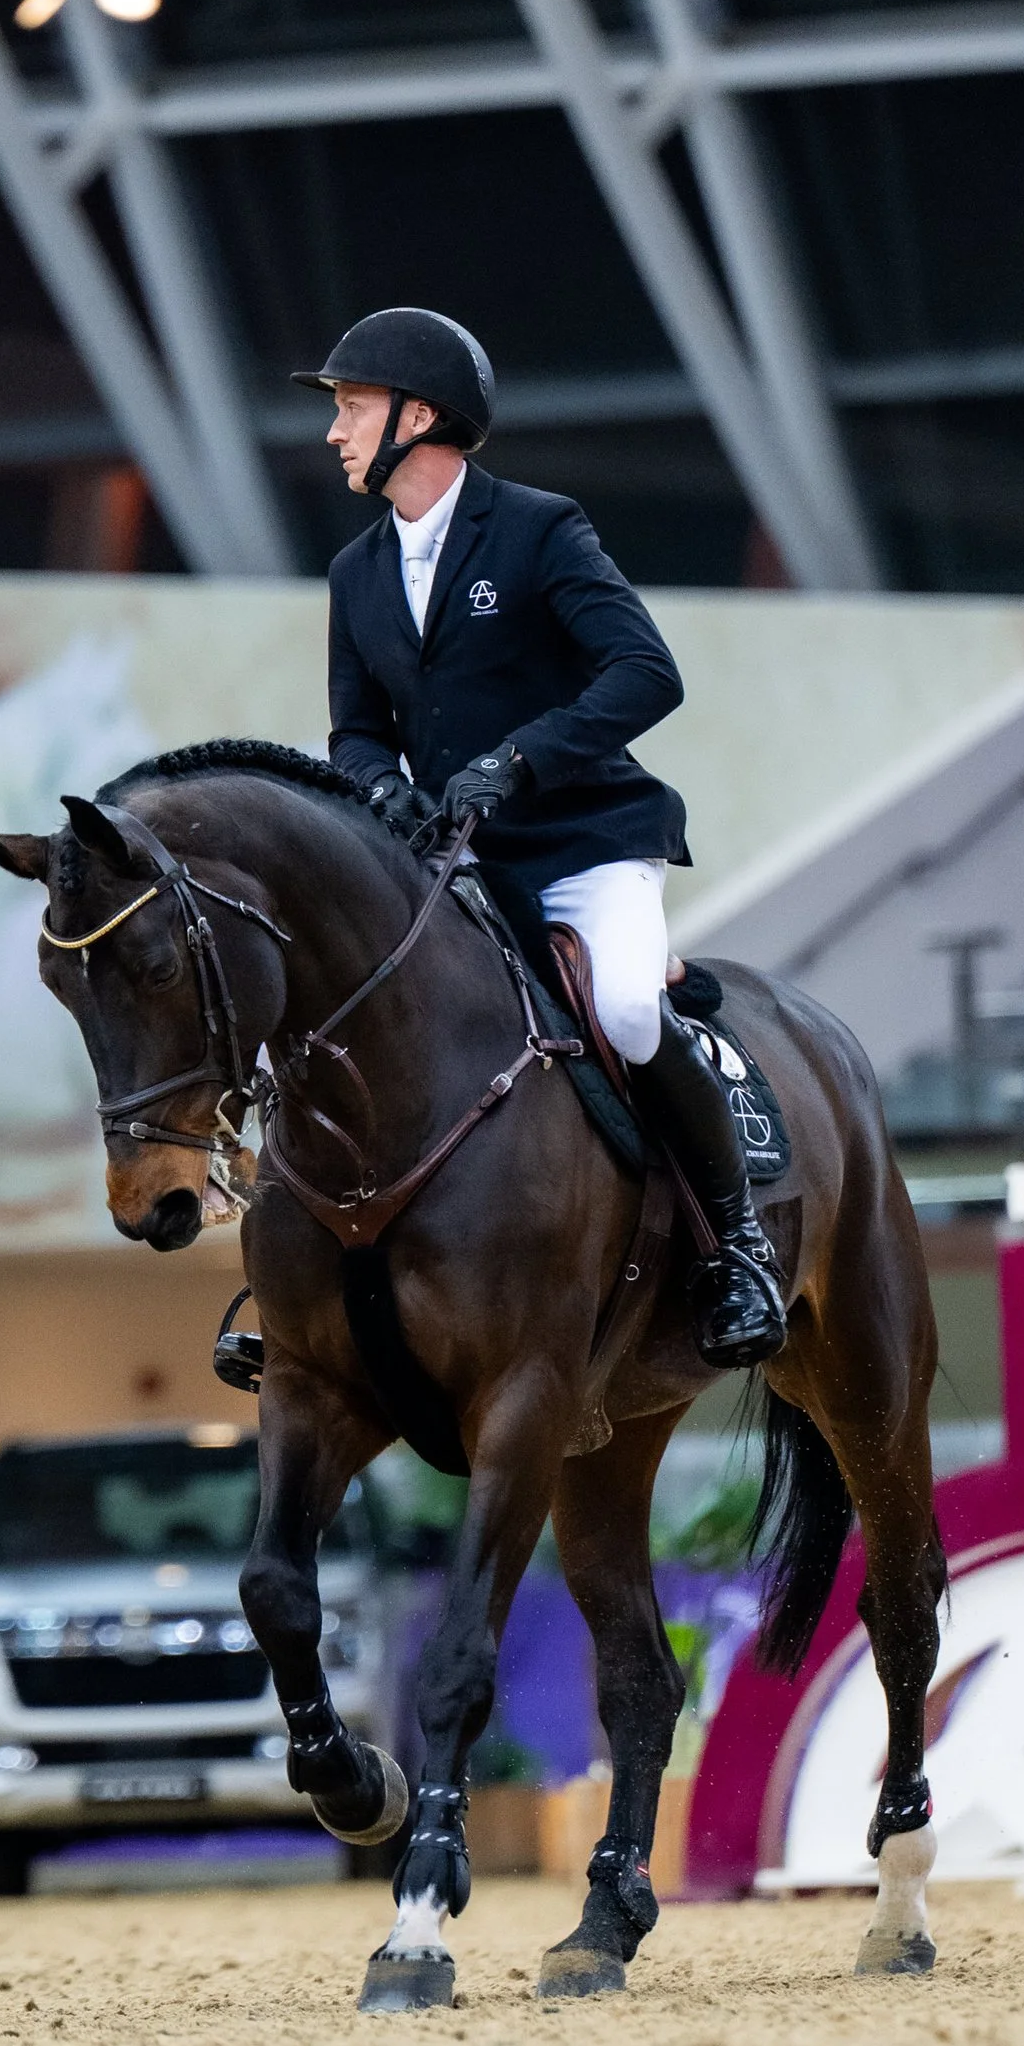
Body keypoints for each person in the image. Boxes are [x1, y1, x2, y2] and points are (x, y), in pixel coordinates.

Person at [299, 306, 787, 1366]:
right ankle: (306, 1279)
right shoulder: (356, 573)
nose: (334, 433)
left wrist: (520, 760)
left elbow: (645, 673)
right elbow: (355, 729)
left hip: (582, 844)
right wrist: (380, 790)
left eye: (351, 409)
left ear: (417, 417)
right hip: (456, 860)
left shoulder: (536, 528)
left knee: (620, 1003)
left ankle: (733, 1246)